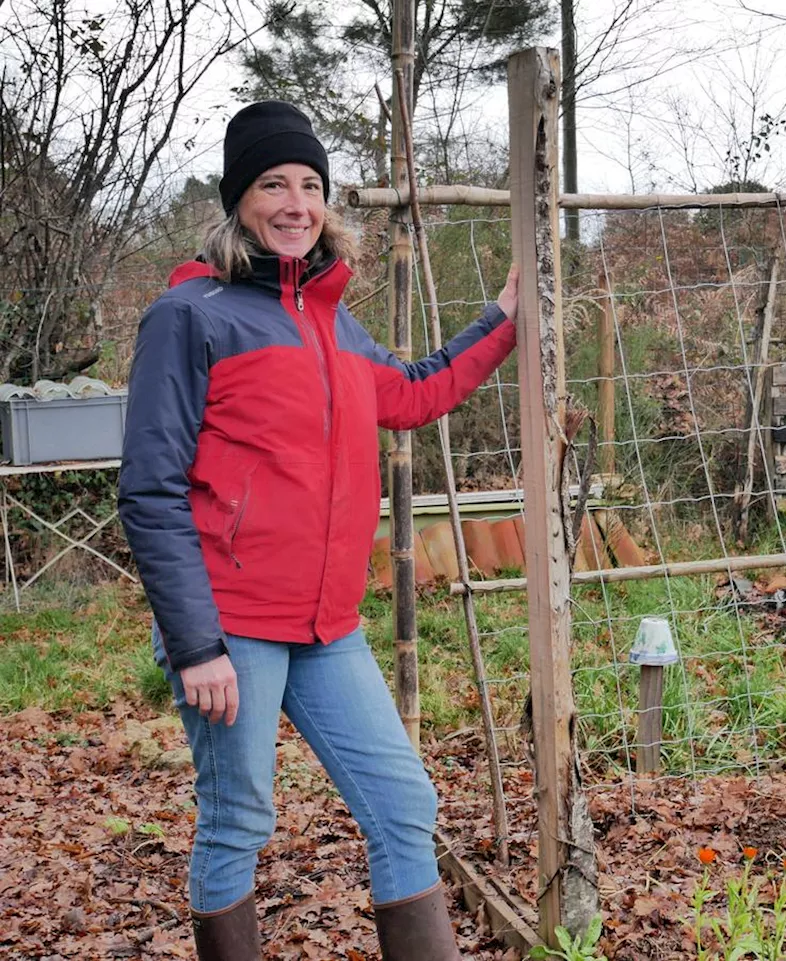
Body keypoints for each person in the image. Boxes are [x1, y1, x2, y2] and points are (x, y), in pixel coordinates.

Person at [118, 100, 518, 961]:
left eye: (310, 185)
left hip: (328, 624)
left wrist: (504, 319)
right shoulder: (190, 316)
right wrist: (194, 645)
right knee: (238, 818)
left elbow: (409, 393)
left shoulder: (331, 317)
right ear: (239, 201)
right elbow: (149, 490)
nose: (296, 203)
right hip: (231, 623)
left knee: (403, 802)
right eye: (273, 184)